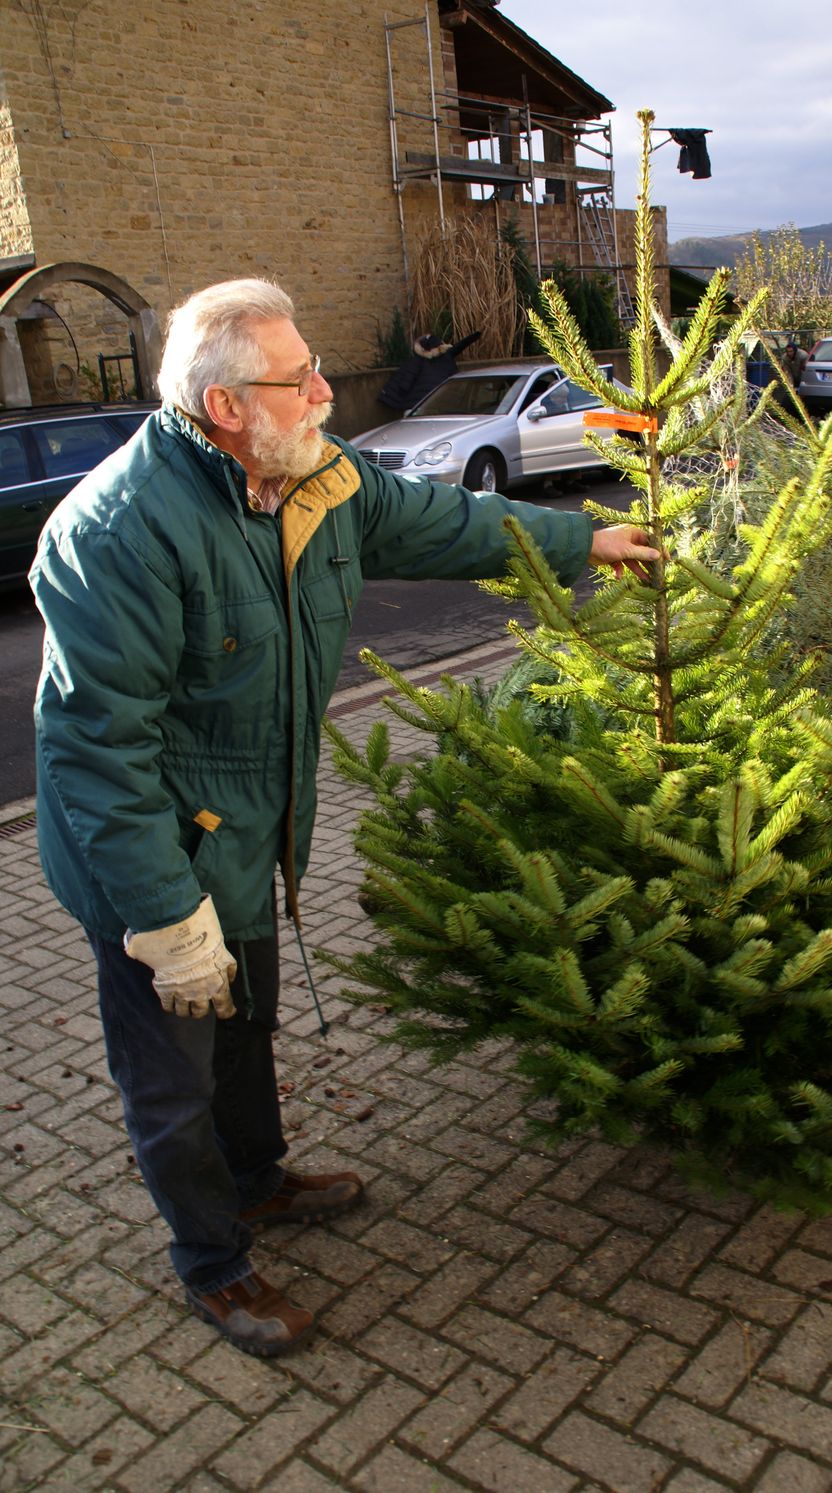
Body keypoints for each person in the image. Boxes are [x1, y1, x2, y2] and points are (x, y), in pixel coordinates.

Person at [29, 278, 658, 1359]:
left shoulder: (311, 474)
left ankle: (260, 1179)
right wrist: (165, 918)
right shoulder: (119, 532)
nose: (326, 391)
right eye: (299, 377)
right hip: (147, 858)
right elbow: (95, 753)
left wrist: (577, 544)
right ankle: (213, 1264)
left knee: (248, 1032)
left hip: (251, 829)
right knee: (171, 1082)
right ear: (227, 407)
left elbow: (439, 518)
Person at [377, 328, 482, 411]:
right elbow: (461, 345)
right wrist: (476, 334)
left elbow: (406, 380)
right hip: (442, 399)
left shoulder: (418, 360)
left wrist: (391, 395)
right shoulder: (447, 355)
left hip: (418, 403)